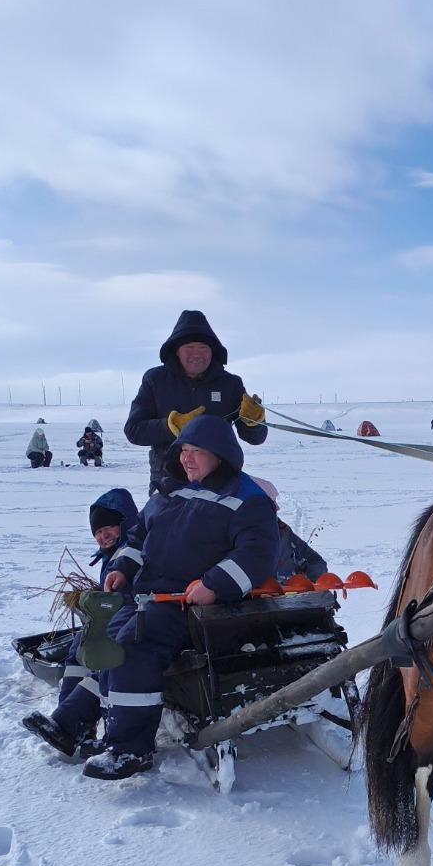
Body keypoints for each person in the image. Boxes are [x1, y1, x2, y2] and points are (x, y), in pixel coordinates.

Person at [24, 417, 278, 780]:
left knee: (130, 649)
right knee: (98, 639)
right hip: (146, 596)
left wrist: (214, 584)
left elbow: (257, 553)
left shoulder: (246, 499)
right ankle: (72, 725)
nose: (188, 459)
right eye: (184, 451)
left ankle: (131, 749)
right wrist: (123, 568)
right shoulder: (169, 492)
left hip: (190, 606)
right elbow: (137, 538)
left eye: (197, 452)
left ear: (221, 455)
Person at [23, 490, 140, 749]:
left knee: (101, 651)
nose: (103, 535)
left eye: (109, 527)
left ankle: (71, 722)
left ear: (125, 524)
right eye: (98, 532)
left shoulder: (134, 548)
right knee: (79, 645)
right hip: (118, 610)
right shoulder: (112, 555)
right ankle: (73, 724)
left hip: (135, 610)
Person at [124, 309, 267, 493]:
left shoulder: (230, 383)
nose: (197, 354)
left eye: (203, 348)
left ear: (212, 351)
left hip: (219, 483)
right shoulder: (155, 380)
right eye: (189, 348)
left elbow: (256, 439)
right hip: (169, 483)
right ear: (176, 351)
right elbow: (134, 430)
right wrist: (172, 426)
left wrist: (253, 421)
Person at [251, 477, 328, 582]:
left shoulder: (283, 531)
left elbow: (316, 561)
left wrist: (304, 581)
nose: (277, 507)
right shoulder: (233, 535)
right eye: (272, 502)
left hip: (288, 596)